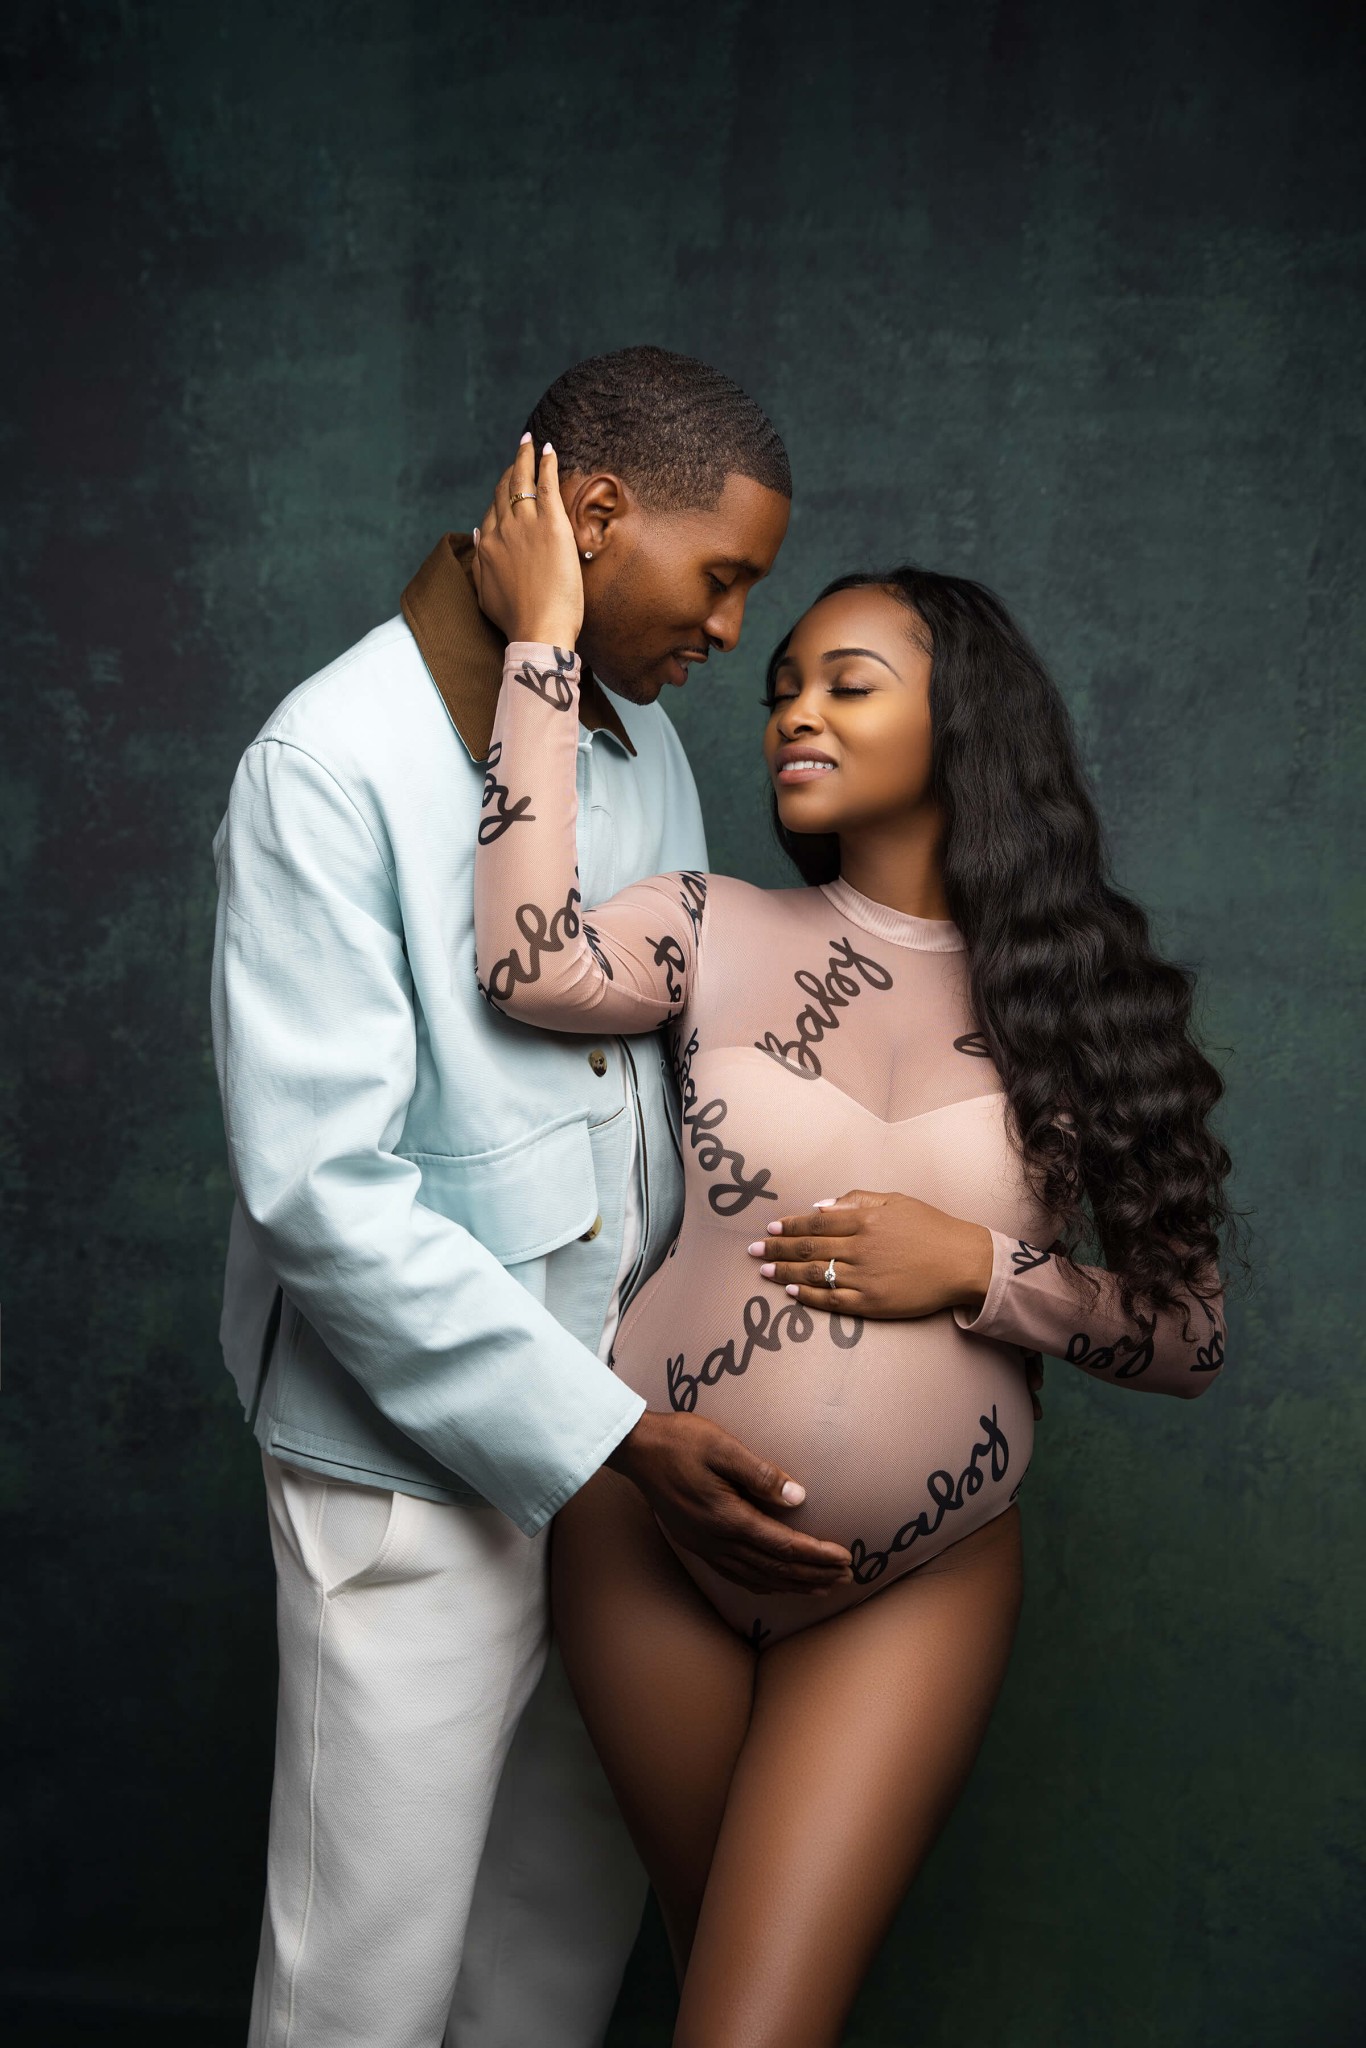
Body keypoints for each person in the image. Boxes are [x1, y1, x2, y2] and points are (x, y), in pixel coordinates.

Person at [469, 436, 1232, 2048]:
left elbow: (1186, 1340)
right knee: (729, 2000)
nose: (793, 709)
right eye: (784, 685)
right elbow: (525, 962)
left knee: (749, 2025)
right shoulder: (707, 924)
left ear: (966, 729)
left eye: (851, 684)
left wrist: (981, 1274)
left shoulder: (1083, 1012)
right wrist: (540, 648)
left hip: (920, 1580)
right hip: (645, 1541)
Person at [210, 346, 856, 2048]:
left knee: (555, 1968)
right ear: (593, 513)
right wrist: (611, 1436)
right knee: (365, 1987)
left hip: (640, 1473)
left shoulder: (637, 752)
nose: (733, 635)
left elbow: (666, 1080)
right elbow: (319, 1192)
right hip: (413, 1478)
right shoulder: (324, 763)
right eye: (721, 578)